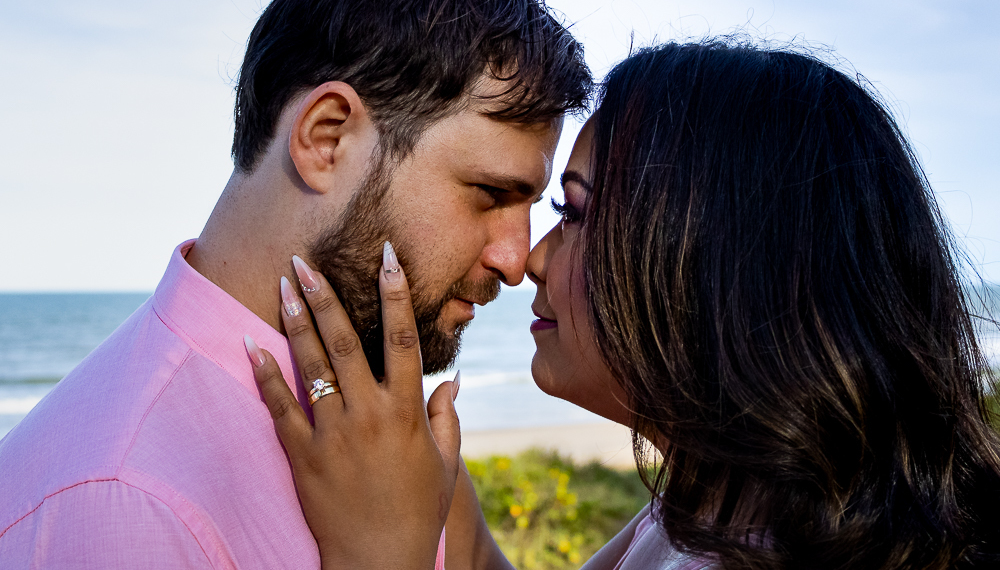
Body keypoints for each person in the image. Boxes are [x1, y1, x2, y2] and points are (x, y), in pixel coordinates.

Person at [260, 40, 1000, 569]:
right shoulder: (732, 497)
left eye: (575, 213)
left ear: (708, 263)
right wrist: (441, 503)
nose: (530, 259)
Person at [0, 0, 591, 568]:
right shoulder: (122, 507)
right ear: (326, 137)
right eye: (488, 193)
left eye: (534, 205)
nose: (516, 259)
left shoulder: (384, 425)